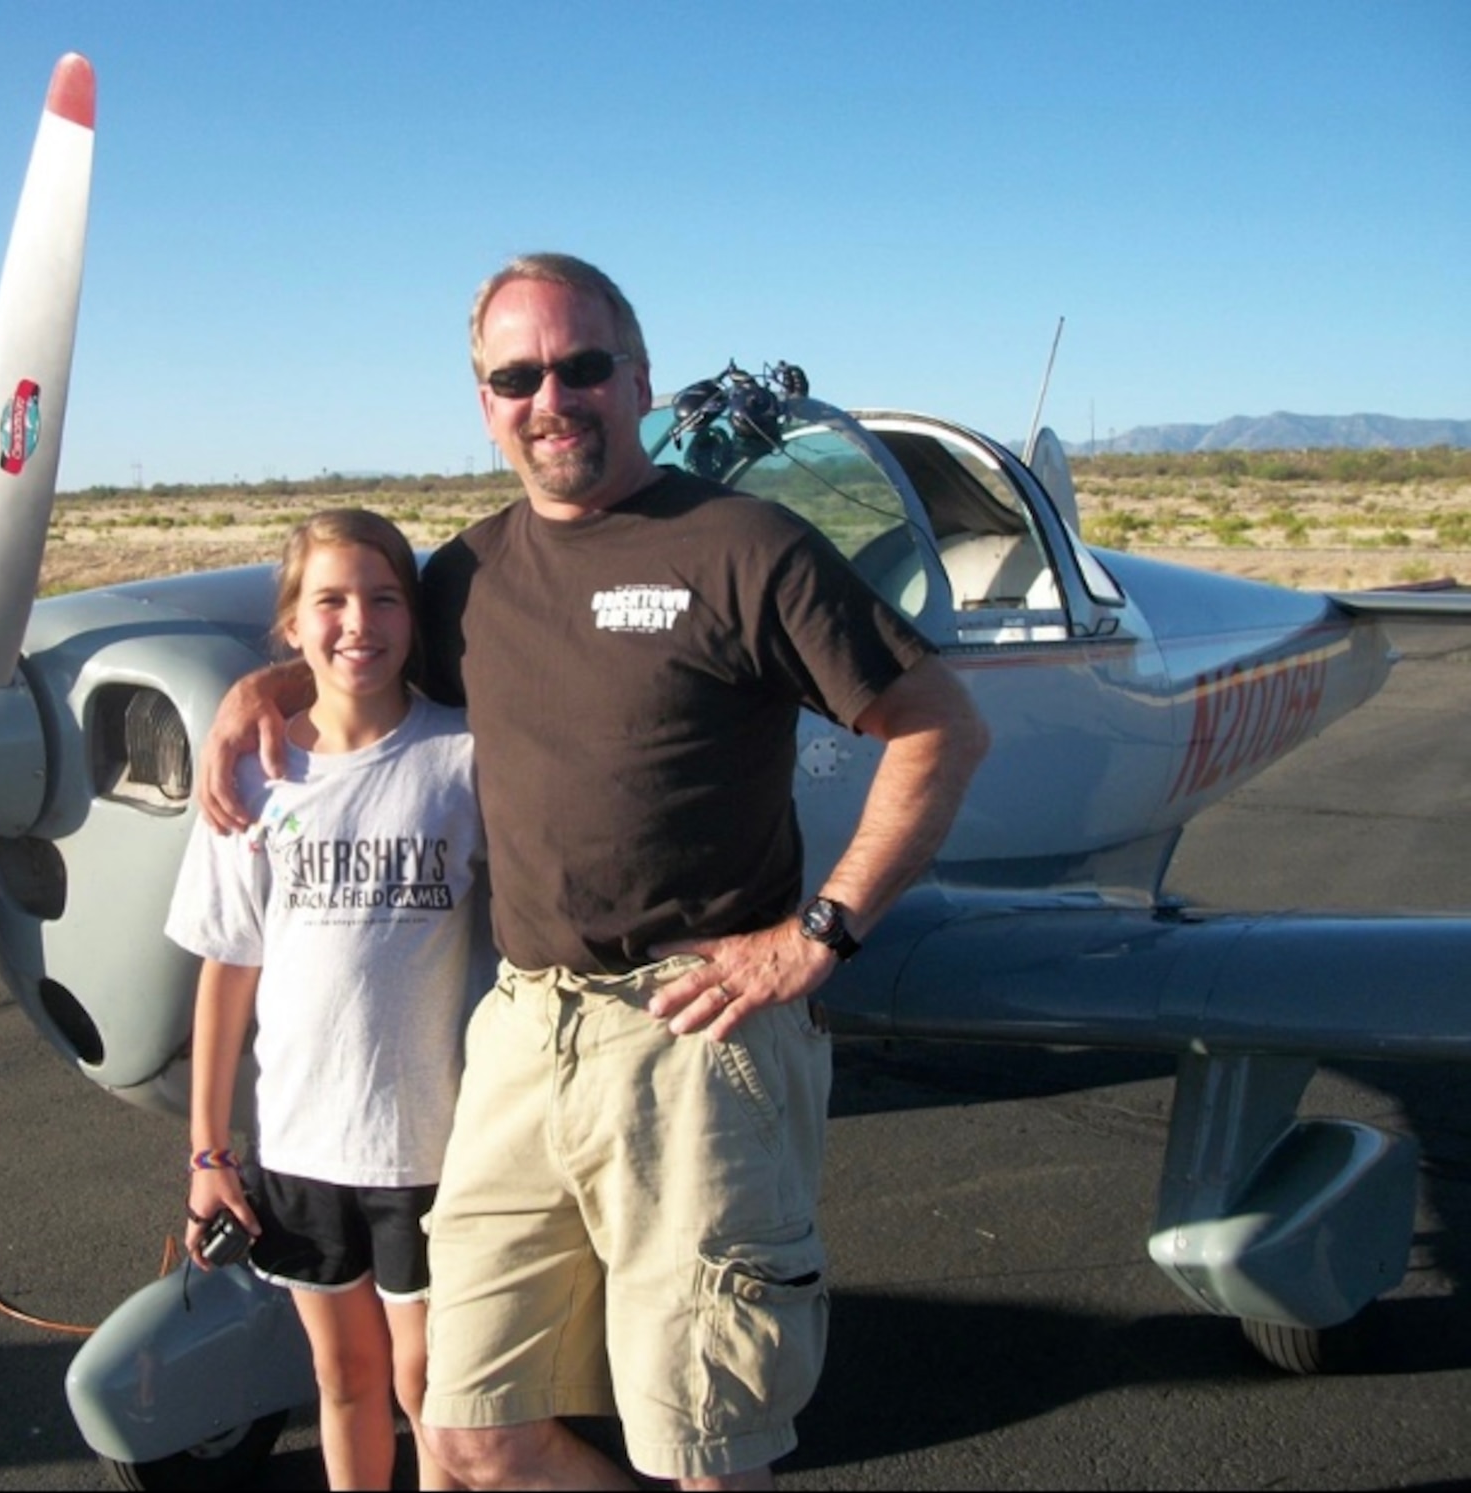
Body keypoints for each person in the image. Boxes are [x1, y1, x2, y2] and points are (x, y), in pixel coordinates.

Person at [197, 255, 990, 1490]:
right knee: (463, 1436)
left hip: (691, 1032)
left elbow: (938, 722)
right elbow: (365, 656)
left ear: (636, 378)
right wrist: (270, 682)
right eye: (516, 375)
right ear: (484, 400)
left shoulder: (743, 546)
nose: (550, 397)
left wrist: (816, 931)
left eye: (579, 367)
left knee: (705, 1443)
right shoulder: (464, 576)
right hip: (521, 1030)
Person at [168, 508, 482, 1491]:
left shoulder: (463, 758)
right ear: (291, 630)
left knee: (432, 1381)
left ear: (413, 617)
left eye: (384, 597)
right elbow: (228, 967)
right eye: (330, 601)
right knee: (343, 1377)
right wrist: (209, 1150)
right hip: (303, 1143)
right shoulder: (251, 782)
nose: (358, 622)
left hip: (432, 1142)